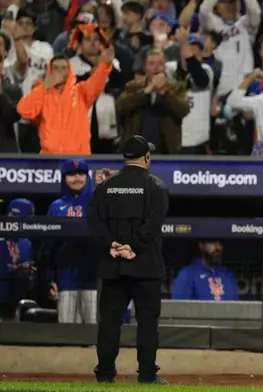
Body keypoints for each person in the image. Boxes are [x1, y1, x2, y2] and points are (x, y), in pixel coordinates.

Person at [88, 135, 169, 384]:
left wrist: (111, 245)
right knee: (147, 323)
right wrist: (133, 247)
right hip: (145, 265)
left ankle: (104, 375)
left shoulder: (105, 186)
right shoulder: (156, 186)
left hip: (113, 265)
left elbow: (93, 221)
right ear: (146, 158)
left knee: (110, 323)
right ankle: (146, 376)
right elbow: (153, 225)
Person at [45, 158, 97, 324]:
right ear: (64, 178)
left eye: (81, 173)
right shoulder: (55, 207)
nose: (76, 178)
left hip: (93, 279)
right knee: (66, 335)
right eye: (71, 174)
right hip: (65, 279)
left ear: (87, 176)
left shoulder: (97, 203)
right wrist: (49, 278)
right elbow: (48, 246)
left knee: (94, 334)